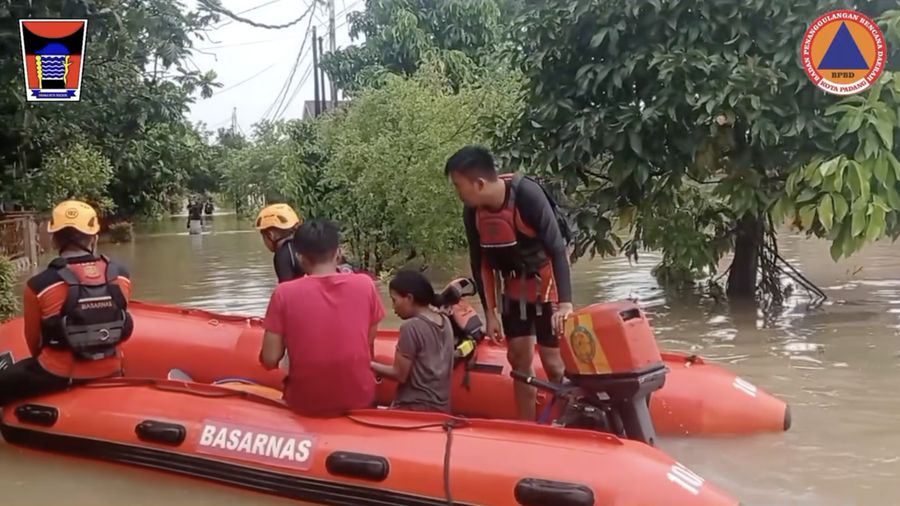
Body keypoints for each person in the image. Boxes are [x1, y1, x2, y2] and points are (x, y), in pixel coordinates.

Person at [445, 145, 573, 421]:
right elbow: (480, 263)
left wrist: (565, 304)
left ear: (479, 183)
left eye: (458, 186)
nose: (458, 193)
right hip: (513, 290)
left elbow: (557, 250)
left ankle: (566, 424)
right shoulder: (473, 212)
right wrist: (489, 314)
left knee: (553, 362)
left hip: (547, 289)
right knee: (518, 361)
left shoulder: (528, 195)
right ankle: (527, 427)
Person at [0, 200, 134, 405]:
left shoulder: (39, 284)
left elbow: (34, 342)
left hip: (58, 373)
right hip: (112, 368)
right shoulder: (121, 276)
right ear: (94, 238)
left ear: (54, 240)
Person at [259, 219, 385, 416]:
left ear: (300, 258)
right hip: (360, 397)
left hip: (306, 403)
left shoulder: (284, 293)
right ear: (338, 253)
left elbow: (269, 359)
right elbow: (366, 342)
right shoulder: (365, 285)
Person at [371, 270, 454, 413]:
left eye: (394, 300)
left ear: (409, 298)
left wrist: (367, 364)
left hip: (412, 408)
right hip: (442, 409)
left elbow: (399, 374)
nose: (393, 307)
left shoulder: (411, 327)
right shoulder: (445, 321)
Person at [255, 203, 304, 283]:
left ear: (271, 235)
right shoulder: (305, 245)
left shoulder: (282, 255)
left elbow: (285, 291)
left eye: (263, 236)